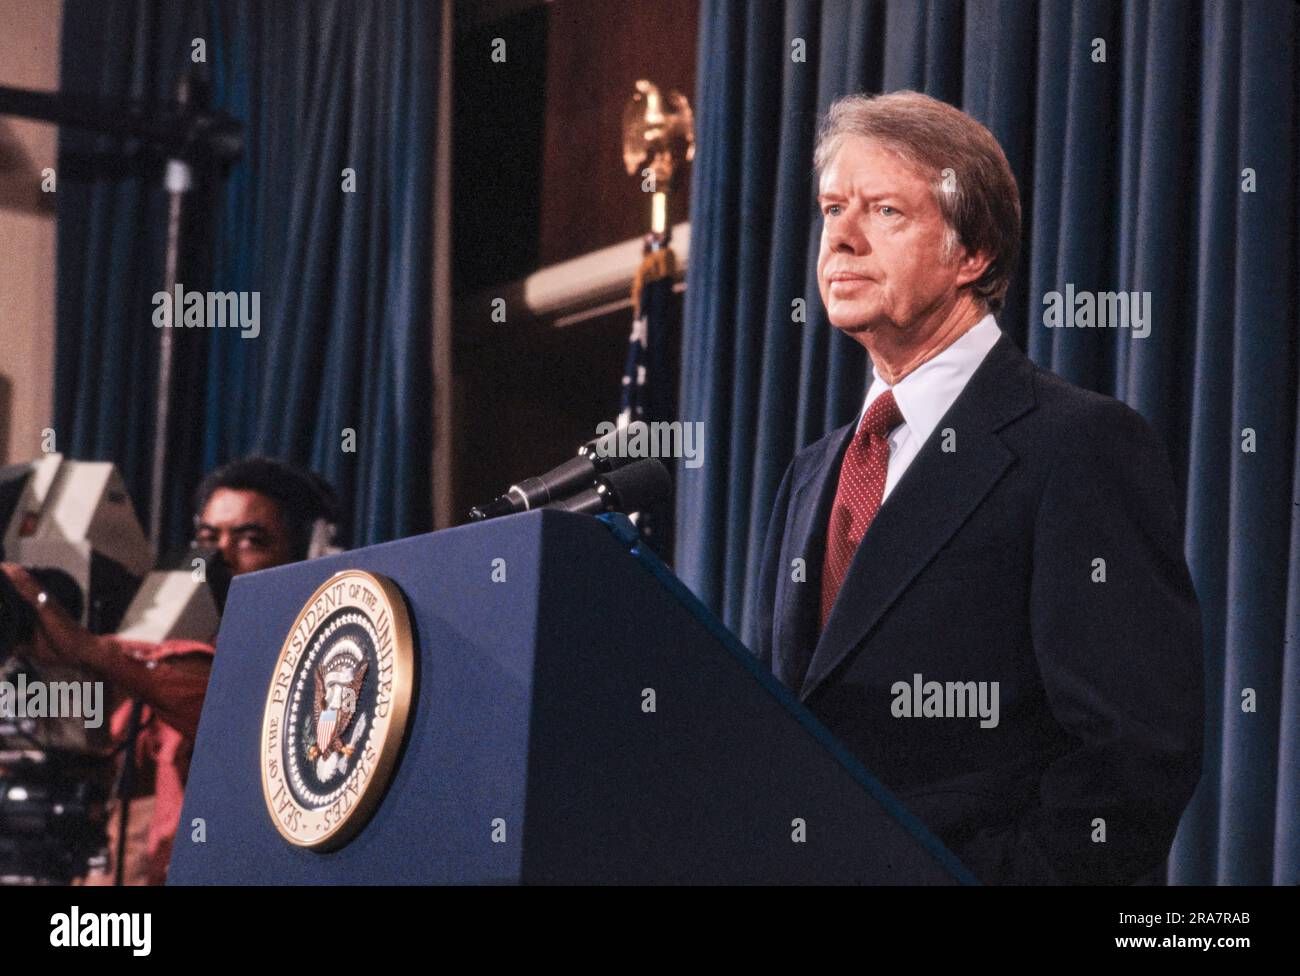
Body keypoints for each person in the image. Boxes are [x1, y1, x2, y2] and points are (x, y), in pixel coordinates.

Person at [752, 91, 1203, 884]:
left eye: (885, 211)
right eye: (832, 209)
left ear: (973, 254)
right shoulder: (812, 473)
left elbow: (1134, 755)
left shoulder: (1079, 444)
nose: (841, 238)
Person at [0, 456, 339, 884]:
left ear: (309, 552)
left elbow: (225, 708)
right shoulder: (163, 664)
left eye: (251, 540)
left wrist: (92, 650)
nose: (219, 558)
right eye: (207, 538)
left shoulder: (321, 669)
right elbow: (119, 775)